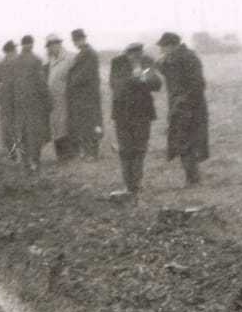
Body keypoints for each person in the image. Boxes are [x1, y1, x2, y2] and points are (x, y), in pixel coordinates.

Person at [0, 38, 52, 175]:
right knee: (25, 133)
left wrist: (4, 100)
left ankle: (22, 162)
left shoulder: (14, 64)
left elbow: (6, 86)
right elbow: (41, 85)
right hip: (23, 105)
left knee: (19, 133)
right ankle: (28, 161)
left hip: (15, 105)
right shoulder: (33, 62)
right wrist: (47, 102)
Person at [156, 32, 209, 185]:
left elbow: (198, 84)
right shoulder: (173, 59)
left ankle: (192, 178)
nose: (161, 50)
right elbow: (163, 68)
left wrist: (183, 100)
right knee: (182, 142)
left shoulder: (188, 58)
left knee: (187, 142)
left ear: (172, 46)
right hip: (179, 107)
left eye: (163, 47)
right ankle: (191, 177)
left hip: (190, 108)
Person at [108, 43, 161, 195]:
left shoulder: (147, 62)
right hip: (122, 113)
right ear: (127, 54)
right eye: (133, 54)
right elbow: (116, 85)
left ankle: (136, 185)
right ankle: (128, 184)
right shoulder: (117, 63)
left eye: (139, 54)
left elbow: (157, 83)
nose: (136, 57)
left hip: (142, 113)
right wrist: (136, 79)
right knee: (125, 150)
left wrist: (145, 78)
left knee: (140, 149)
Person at [67, 28, 103, 159]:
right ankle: (88, 152)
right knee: (85, 123)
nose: (76, 43)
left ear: (82, 39)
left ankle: (92, 154)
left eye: (77, 40)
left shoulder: (88, 54)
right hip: (84, 95)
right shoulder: (84, 53)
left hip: (88, 95)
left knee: (90, 123)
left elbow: (83, 75)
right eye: (75, 40)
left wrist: (71, 79)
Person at [45, 35, 75, 160]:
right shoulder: (51, 60)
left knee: (65, 126)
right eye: (48, 47)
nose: (49, 49)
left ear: (57, 45)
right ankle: (61, 155)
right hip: (54, 99)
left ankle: (68, 155)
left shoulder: (70, 58)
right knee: (56, 127)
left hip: (65, 98)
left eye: (51, 46)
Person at [0, 40, 19, 153]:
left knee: (20, 128)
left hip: (20, 101)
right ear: (8, 52)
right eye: (13, 51)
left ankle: (22, 153)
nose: (15, 53)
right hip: (6, 103)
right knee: (7, 129)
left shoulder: (20, 65)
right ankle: (12, 153)